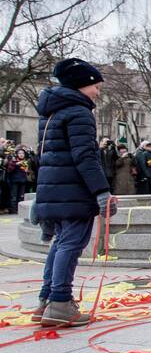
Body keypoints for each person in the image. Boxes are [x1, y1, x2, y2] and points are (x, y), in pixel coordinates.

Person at [33, 59, 115, 327]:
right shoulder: (79, 113)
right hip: (73, 190)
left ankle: (46, 300)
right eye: (96, 87)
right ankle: (60, 302)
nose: (97, 93)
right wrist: (101, 191)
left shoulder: (51, 112)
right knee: (70, 244)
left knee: (59, 243)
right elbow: (85, 156)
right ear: (82, 84)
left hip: (55, 187)